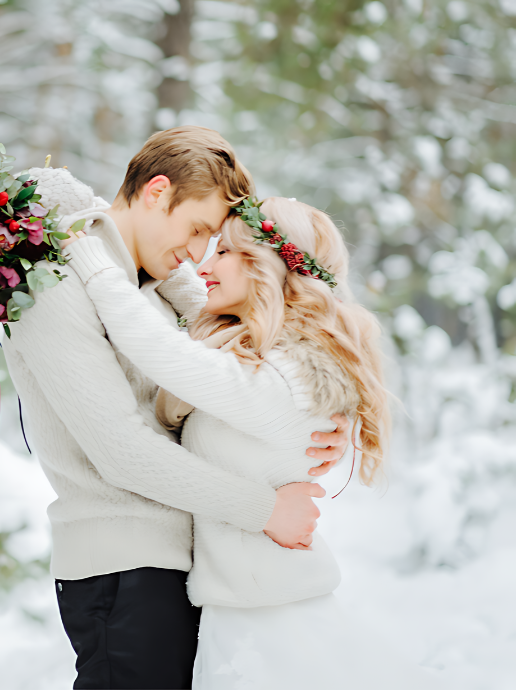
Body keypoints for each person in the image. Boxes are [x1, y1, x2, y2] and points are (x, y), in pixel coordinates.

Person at [1, 127, 350, 690]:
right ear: (156, 191)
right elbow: (121, 451)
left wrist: (321, 423)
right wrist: (265, 510)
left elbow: (261, 339)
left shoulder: (149, 284)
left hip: (178, 564)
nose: (198, 253)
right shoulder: (60, 279)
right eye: (197, 230)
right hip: (123, 564)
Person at [62, 196, 442, 689]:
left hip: (274, 625)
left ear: (267, 267)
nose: (206, 262)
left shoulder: (290, 380)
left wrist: (92, 261)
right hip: (244, 612)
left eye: (223, 252)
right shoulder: (266, 362)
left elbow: (160, 350)